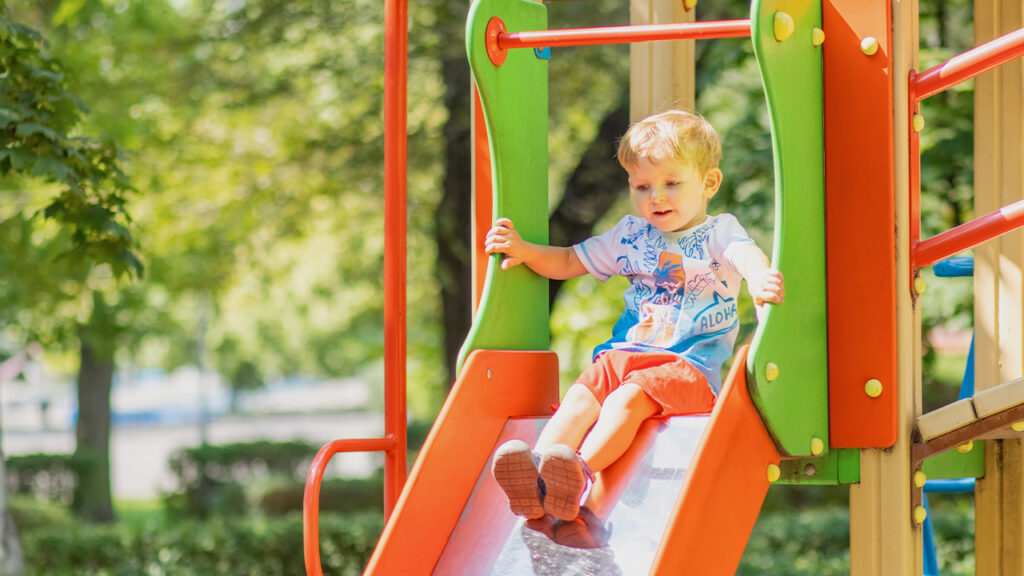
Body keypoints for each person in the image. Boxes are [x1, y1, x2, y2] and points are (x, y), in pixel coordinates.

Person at [486, 110, 785, 523]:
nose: (656, 197)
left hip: (687, 367)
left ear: (709, 183)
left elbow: (745, 254)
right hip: (622, 355)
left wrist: (757, 277)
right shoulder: (631, 234)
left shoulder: (718, 232)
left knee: (627, 399)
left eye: (671, 183)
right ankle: (537, 477)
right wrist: (524, 251)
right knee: (579, 398)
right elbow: (572, 259)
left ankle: (580, 471)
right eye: (642, 186)